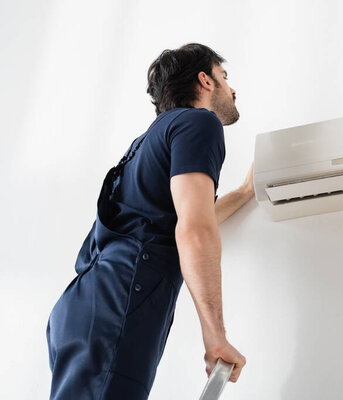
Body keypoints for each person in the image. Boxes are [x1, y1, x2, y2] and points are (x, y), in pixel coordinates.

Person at [45, 42, 249, 399]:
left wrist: (246, 192)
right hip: (120, 302)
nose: (232, 89)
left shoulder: (147, 141)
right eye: (224, 77)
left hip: (83, 307)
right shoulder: (199, 122)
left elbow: (178, 219)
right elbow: (194, 229)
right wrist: (215, 335)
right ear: (205, 80)